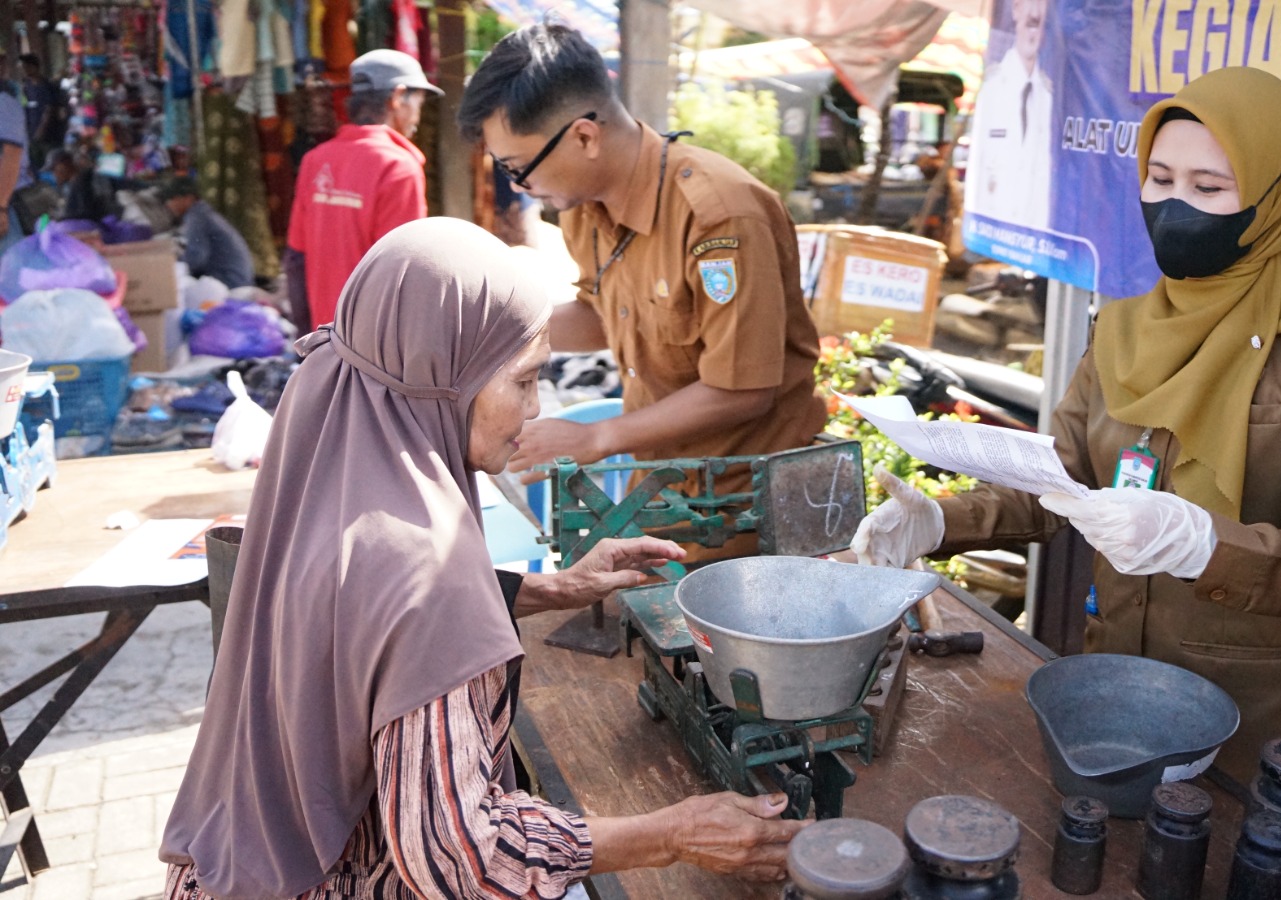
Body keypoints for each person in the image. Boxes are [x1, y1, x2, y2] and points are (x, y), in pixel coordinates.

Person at [159, 218, 803, 899]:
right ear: (445, 378)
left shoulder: (331, 415)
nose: (536, 408)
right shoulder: (427, 567)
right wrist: (674, 833)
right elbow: (462, 857)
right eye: (524, 380)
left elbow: (357, 611)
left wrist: (552, 589)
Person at [853, 67, 1281, 785]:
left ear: (1273, 196)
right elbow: (1060, 480)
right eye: (1160, 179)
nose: (1174, 206)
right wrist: (938, 522)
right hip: (1111, 697)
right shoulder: (1123, 327)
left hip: (1253, 724)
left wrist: (1204, 543)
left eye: (1208, 188)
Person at [458, 23, 827, 506]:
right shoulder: (583, 208)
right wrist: (491, 333)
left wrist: (597, 437)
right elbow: (604, 317)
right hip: (659, 487)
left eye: (516, 167)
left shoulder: (719, 217)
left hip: (749, 503)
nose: (516, 186)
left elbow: (743, 387)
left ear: (585, 137)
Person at [284, 49, 438, 335]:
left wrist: (309, 345)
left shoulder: (316, 160)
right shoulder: (398, 167)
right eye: (419, 100)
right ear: (397, 97)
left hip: (324, 340)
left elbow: (295, 260)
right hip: (375, 344)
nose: (418, 113)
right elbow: (403, 272)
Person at [964, 0, 1053, 232]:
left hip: (1034, 238)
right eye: (1029, 4)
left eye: (1043, 6)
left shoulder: (1050, 98)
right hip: (992, 235)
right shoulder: (991, 91)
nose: (1035, 14)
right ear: (1015, 9)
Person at [160, 176, 256, 289]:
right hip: (238, 278)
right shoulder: (203, 213)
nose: (168, 204)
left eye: (172, 199)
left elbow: (196, 258)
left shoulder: (197, 217)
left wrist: (168, 262)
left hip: (230, 281)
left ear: (188, 198)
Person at [19, 54, 68, 173]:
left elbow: (49, 110)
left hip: (49, 136)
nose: (24, 70)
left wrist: (41, 130)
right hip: (32, 134)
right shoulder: (27, 86)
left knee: (51, 166)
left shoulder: (47, 86)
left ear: (34, 67)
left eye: (26, 67)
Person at [0, 87, 29, 254]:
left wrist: (1, 207)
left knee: (8, 263)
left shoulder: (4, 104)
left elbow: (12, 156)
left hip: (7, 204)